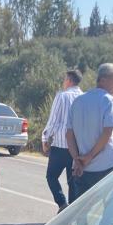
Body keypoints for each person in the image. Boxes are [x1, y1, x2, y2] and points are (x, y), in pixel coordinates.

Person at [66, 63, 113, 198]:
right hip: (107, 166)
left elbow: (69, 135)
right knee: (112, 208)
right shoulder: (109, 100)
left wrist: (77, 160)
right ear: (102, 80)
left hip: (83, 169)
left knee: (81, 211)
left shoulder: (78, 102)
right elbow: (107, 133)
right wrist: (89, 157)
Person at [41, 69, 83, 211]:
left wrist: (45, 139)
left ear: (69, 80)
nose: (63, 82)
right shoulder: (84, 98)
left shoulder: (62, 96)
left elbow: (53, 121)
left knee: (51, 176)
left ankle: (62, 203)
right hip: (77, 148)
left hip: (60, 145)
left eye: (65, 79)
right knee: (72, 182)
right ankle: (71, 212)